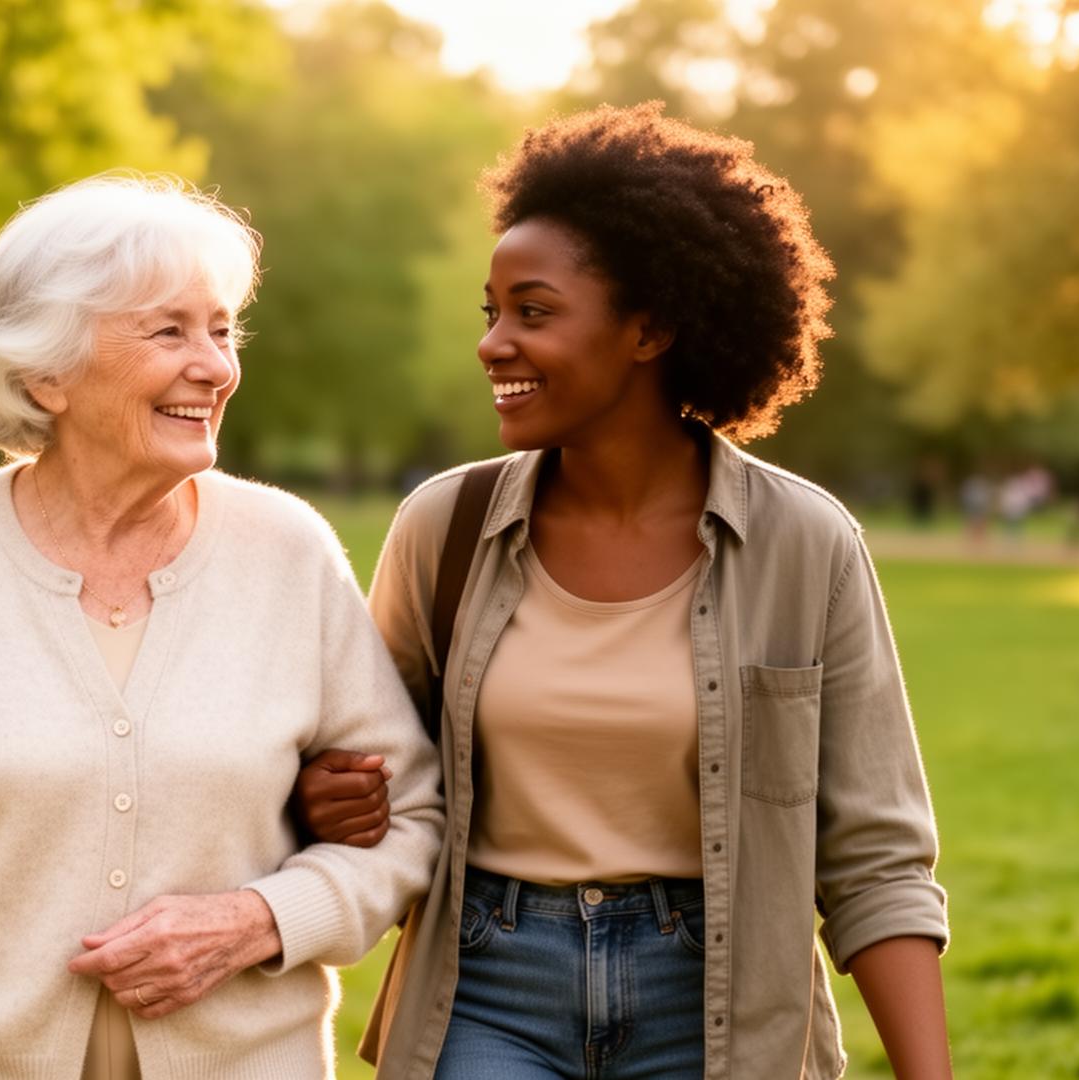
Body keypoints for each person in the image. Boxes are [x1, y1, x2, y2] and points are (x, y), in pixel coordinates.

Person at [0, 174, 443, 1080]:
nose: (217, 366)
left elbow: (410, 820)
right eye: (169, 331)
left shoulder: (289, 551)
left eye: (222, 329)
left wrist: (258, 921)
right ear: (44, 373)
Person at [304, 103, 951, 1078]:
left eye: (533, 311)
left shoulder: (804, 543)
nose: (492, 345)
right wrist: (328, 795)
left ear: (648, 330)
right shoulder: (445, 529)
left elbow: (876, 860)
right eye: (491, 315)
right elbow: (356, 770)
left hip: (720, 1002)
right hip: (487, 985)